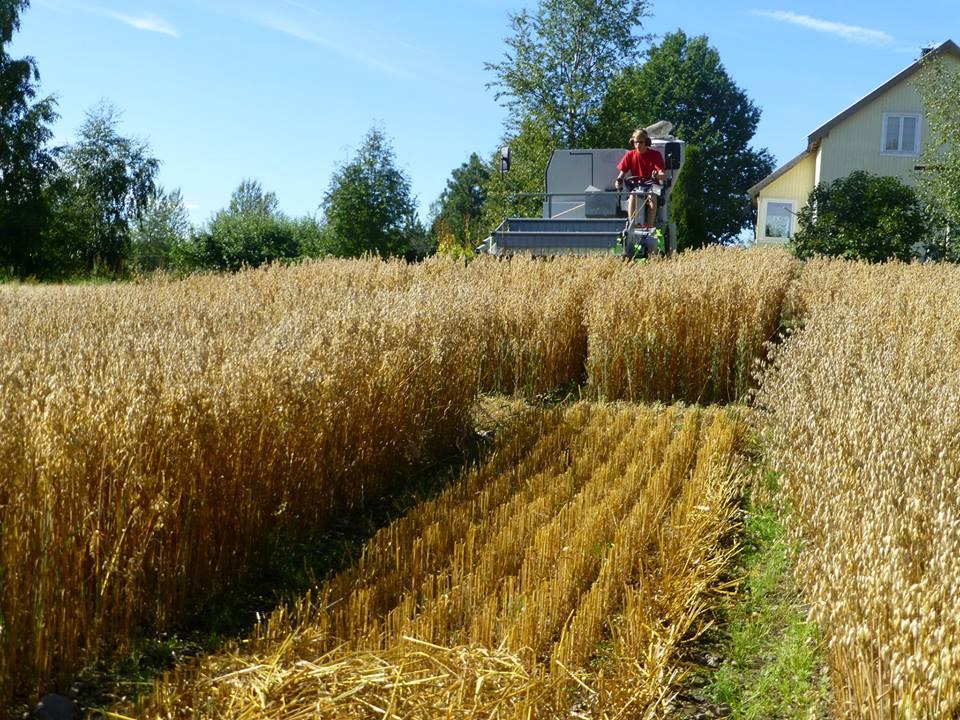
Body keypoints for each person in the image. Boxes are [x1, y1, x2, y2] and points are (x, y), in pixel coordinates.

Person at [614, 129, 665, 227]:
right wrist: (618, 181)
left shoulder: (655, 155)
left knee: (652, 196)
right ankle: (632, 224)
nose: (637, 144)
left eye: (640, 142)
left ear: (647, 142)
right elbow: (621, 175)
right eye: (635, 142)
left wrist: (656, 175)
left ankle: (649, 225)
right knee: (633, 195)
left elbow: (662, 174)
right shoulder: (630, 155)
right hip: (638, 186)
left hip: (654, 185)